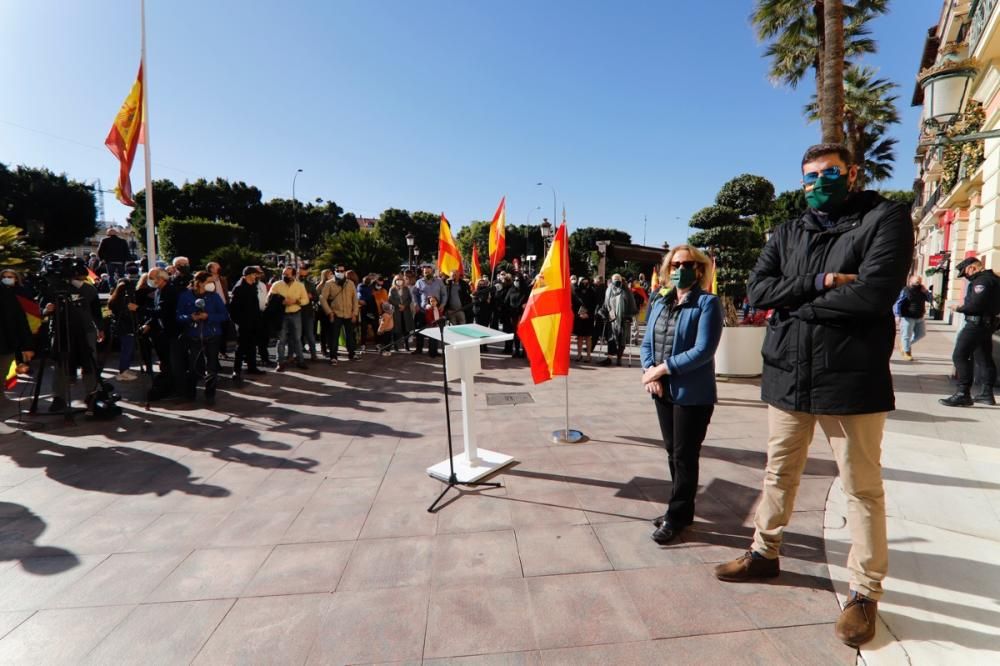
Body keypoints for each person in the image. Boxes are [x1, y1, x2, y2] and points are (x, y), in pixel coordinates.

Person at [712, 143, 913, 649]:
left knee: (861, 488)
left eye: (829, 173)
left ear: (852, 173)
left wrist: (794, 302)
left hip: (850, 378)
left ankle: (864, 593)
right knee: (779, 471)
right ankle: (764, 553)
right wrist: (820, 281)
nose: (818, 183)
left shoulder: (885, 218)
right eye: (809, 177)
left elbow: (872, 294)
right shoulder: (787, 230)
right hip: (788, 375)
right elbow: (757, 292)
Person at [640, 245, 722, 544]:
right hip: (662, 390)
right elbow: (647, 341)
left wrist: (661, 370)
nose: (679, 269)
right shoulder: (660, 301)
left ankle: (675, 517)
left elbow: (703, 351)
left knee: (685, 456)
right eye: (674, 264)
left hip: (693, 393)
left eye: (687, 264)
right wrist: (650, 372)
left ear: (699, 269)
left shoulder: (708, 303)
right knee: (673, 453)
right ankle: (683, 511)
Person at [42, 263, 104, 412]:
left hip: (85, 331)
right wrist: (47, 309)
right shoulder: (54, 288)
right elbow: (43, 307)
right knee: (61, 365)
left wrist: (100, 328)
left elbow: (96, 310)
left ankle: (92, 395)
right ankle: (59, 397)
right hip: (62, 330)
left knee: (89, 363)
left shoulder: (88, 289)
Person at [939, 256, 1000, 407]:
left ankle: (963, 393)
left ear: (972, 268)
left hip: (976, 323)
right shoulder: (994, 279)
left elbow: (976, 305)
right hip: (988, 323)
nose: (966, 277)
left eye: (965, 273)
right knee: (984, 358)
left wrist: (958, 308)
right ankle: (987, 394)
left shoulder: (982, 281)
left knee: (959, 355)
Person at [176, 271, 229, 405]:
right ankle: (190, 394)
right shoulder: (185, 296)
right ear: (199, 282)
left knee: (211, 367)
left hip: (212, 334)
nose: (211, 285)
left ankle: (210, 395)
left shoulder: (214, 297)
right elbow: (178, 316)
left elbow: (224, 315)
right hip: (193, 335)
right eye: (209, 282)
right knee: (193, 366)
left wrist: (209, 317)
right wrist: (190, 317)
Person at [0, 269, 35, 434]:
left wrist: (26, 345)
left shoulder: (7, 293)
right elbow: (18, 319)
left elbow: (18, 318)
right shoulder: (5, 293)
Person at [228, 266, 267, 381]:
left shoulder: (253, 286)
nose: (257, 276)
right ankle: (237, 370)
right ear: (249, 275)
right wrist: (240, 322)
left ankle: (252, 367)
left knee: (252, 346)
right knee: (241, 347)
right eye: (255, 274)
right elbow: (233, 309)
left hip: (254, 322)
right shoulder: (239, 288)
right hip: (244, 323)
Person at [269, 266, 310, 371]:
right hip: (282, 315)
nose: (284, 276)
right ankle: (280, 363)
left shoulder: (300, 286)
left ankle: (301, 361)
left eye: (287, 274)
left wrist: (296, 301)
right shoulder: (277, 285)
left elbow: (306, 300)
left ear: (293, 275)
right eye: (283, 274)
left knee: (297, 339)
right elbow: (269, 299)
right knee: (281, 340)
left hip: (296, 314)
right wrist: (281, 302)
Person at [107, 263, 142, 381]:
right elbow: (127, 314)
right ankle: (123, 371)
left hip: (122, 327)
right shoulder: (123, 301)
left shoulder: (115, 299)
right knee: (127, 349)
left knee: (127, 349)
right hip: (126, 327)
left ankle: (125, 368)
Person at [319, 264, 359, 363]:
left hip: (349, 314)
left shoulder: (350, 283)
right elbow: (322, 299)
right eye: (338, 271)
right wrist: (329, 312)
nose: (340, 273)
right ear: (335, 271)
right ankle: (333, 357)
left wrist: (355, 313)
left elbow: (355, 299)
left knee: (350, 335)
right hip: (336, 314)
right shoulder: (329, 283)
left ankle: (352, 354)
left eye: (342, 271)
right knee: (334, 336)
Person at [599, 273, 637, 366]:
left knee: (622, 340)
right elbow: (605, 303)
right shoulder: (609, 290)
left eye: (618, 279)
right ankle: (609, 358)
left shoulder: (626, 291)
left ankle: (619, 358)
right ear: (612, 280)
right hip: (612, 318)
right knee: (611, 339)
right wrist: (603, 312)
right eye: (614, 279)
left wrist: (629, 316)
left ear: (621, 280)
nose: (616, 280)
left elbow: (632, 304)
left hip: (623, 319)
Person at [893, 274, 932, 362]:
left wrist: (926, 291)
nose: (918, 282)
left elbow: (930, 300)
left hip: (920, 316)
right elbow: (898, 303)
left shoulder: (922, 290)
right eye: (916, 280)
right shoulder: (906, 290)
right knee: (906, 335)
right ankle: (907, 352)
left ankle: (904, 345)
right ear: (910, 281)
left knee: (921, 334)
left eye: (919, 281)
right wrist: (897, 315)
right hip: (908, 316)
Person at [572, 276, 598, 362]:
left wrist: (588, 314)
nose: (584, 284)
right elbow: (574, 304)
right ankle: (579, 355)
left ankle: (588, 356)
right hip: (579, 317)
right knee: (579, 337)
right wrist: (578, 314)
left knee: (588, 337)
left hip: (588, 317)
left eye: (586, 282)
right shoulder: (576, 291)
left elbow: (594, 305)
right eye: (582, 282)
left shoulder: (592, 291)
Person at [298, 263, 319, 361]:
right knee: (296, 335)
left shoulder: (310, 284)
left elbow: (316, 297)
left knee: (310, 335)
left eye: (305, 270)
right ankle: (298, 355)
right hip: (295, 311)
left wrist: (312, 296)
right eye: (302, 269)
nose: (303, 271)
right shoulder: (292, 283)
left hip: (307, 312)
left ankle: (314, 354)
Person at [389, 275, 414, 352]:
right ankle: (395, 346)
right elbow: (390, 299)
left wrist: (404, 305)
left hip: (406, 311)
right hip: (396, 311)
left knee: (406, 329)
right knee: (396, 329)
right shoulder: (392, 289)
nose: (399, 281)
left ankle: (406, 345)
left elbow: (409, 299)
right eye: (397, 279)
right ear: (395, 280)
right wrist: (398, 305)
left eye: (400, 279)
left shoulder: (406, 289)